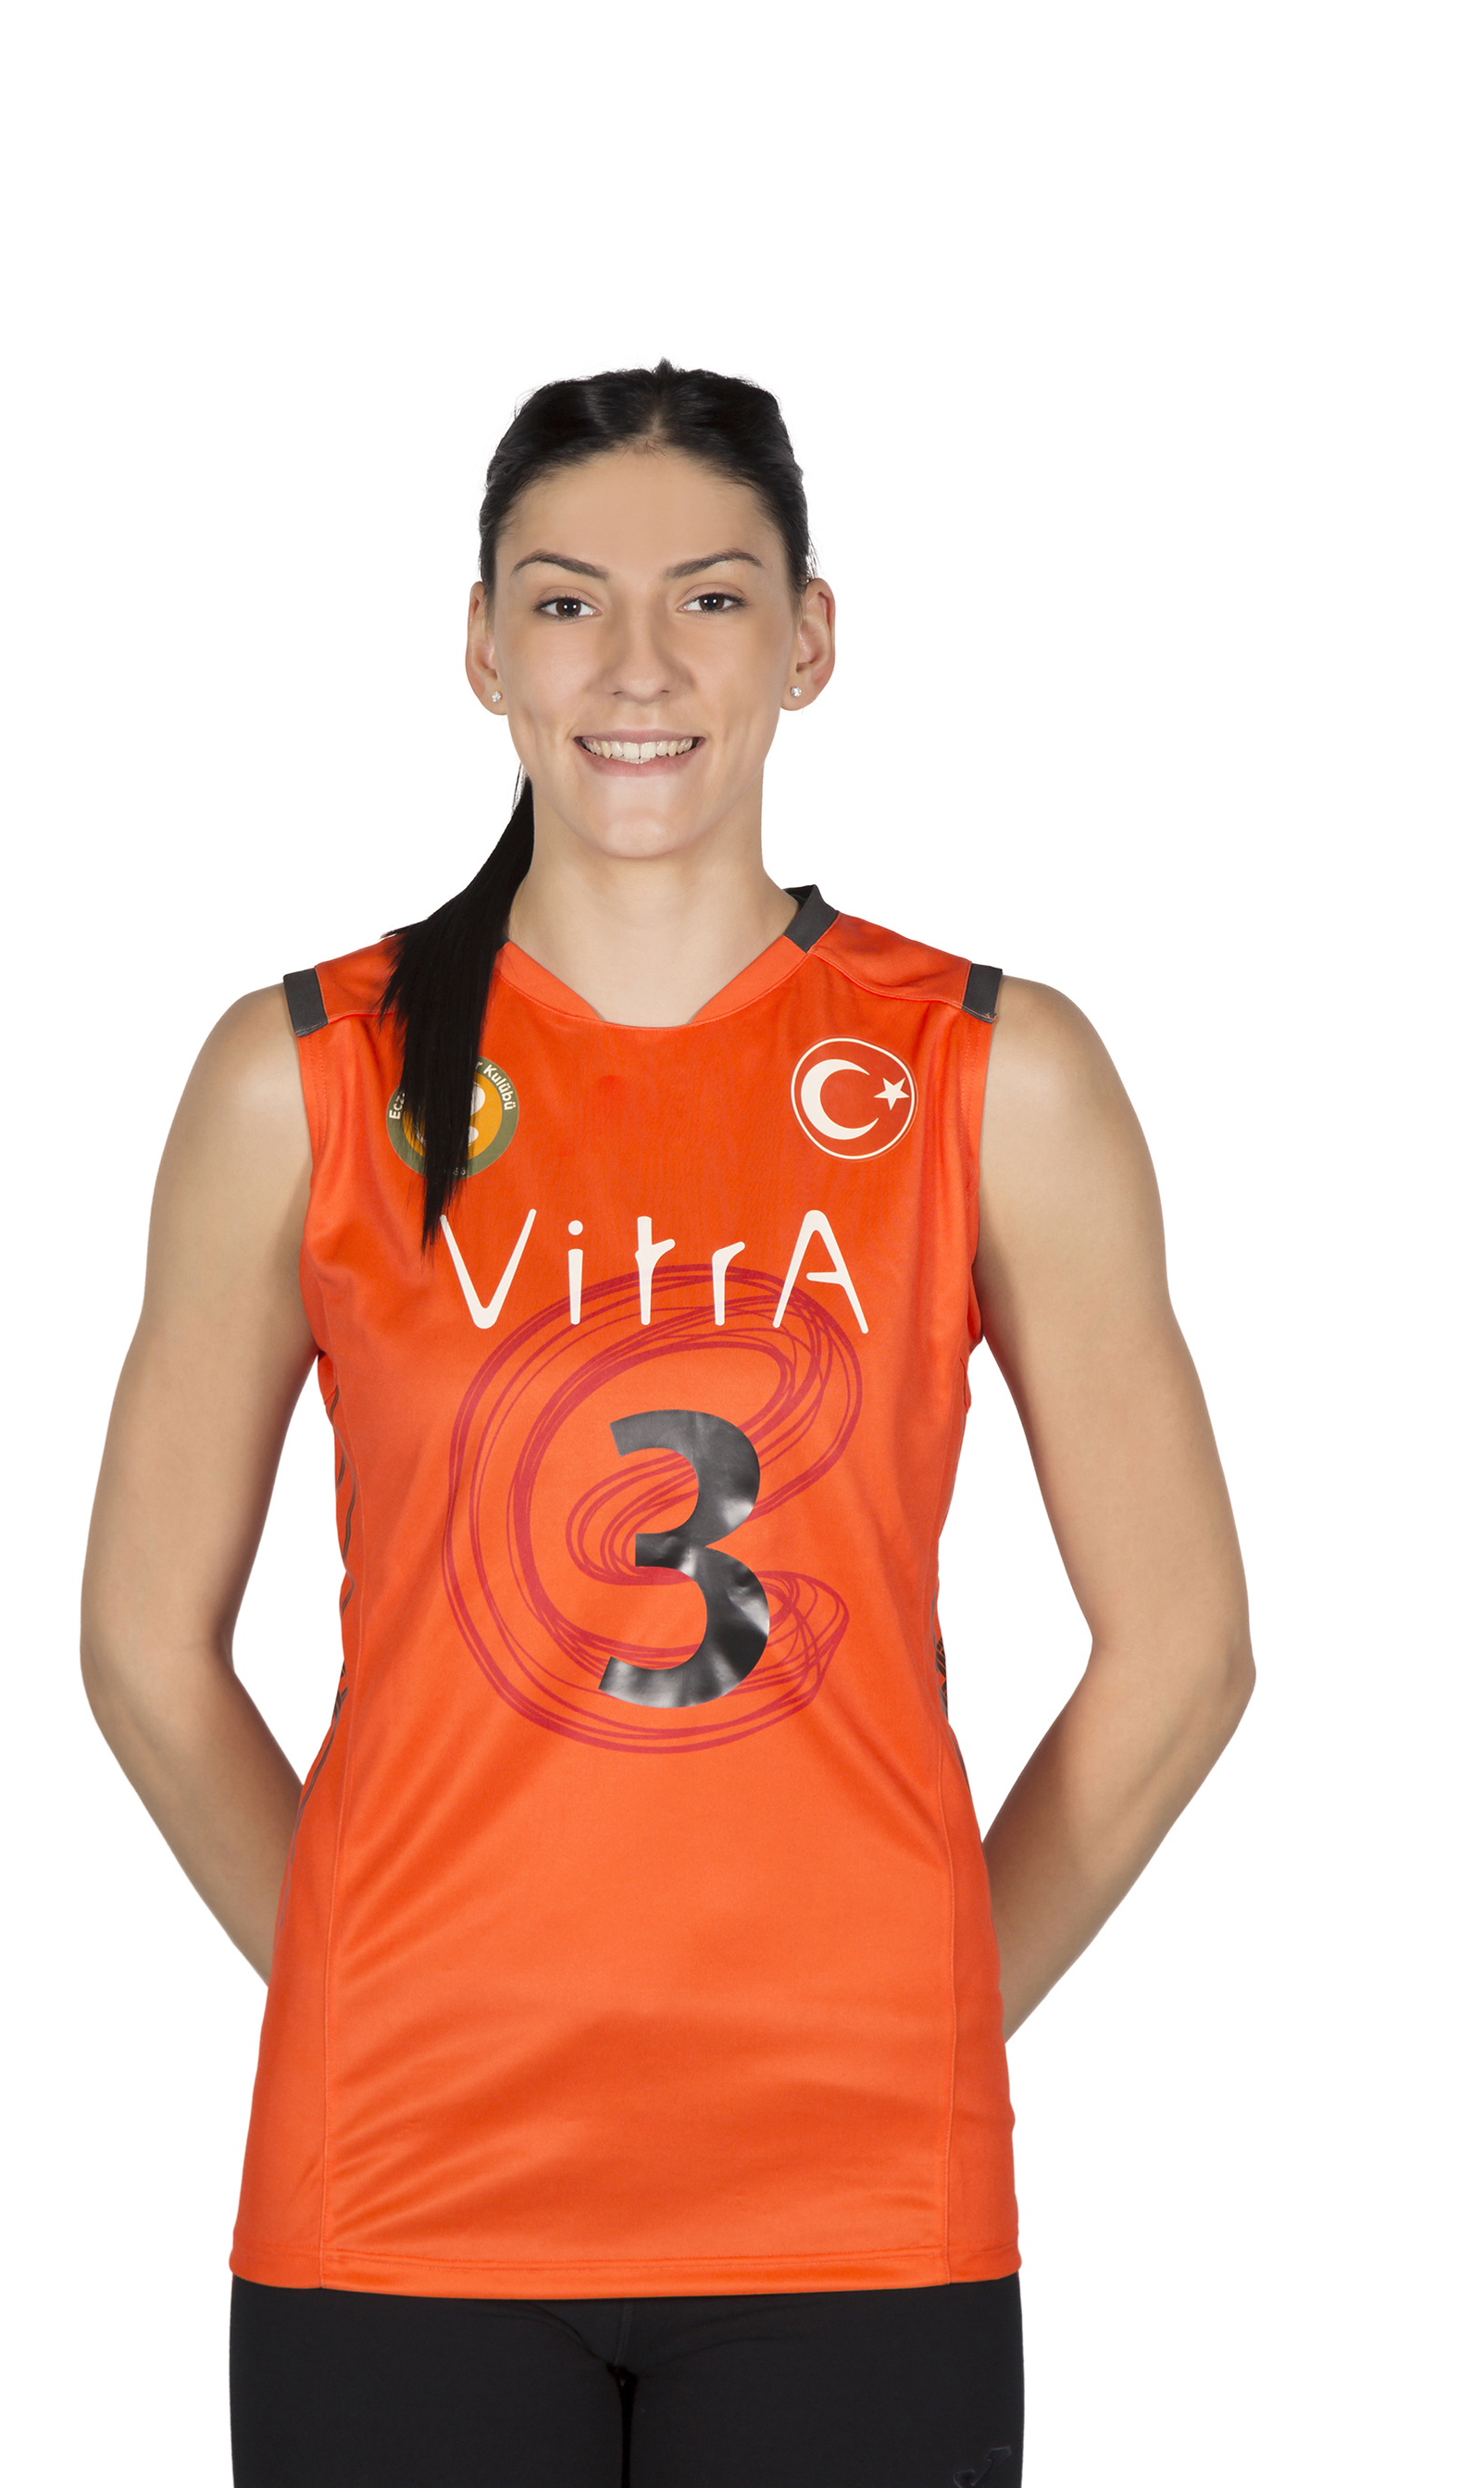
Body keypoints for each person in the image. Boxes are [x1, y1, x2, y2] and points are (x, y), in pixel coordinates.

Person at [81, 361, 1253, 2488]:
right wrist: (369, 1986)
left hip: (858, 2198)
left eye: (709, 598)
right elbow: (145, 1650)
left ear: (810, 640)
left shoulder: (995, 1074)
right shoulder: (303, 1076)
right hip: (402, 2194)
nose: (636, 666)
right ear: (481, 647)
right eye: (565, 603)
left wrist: (922, 2012)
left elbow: (1184, 1653)